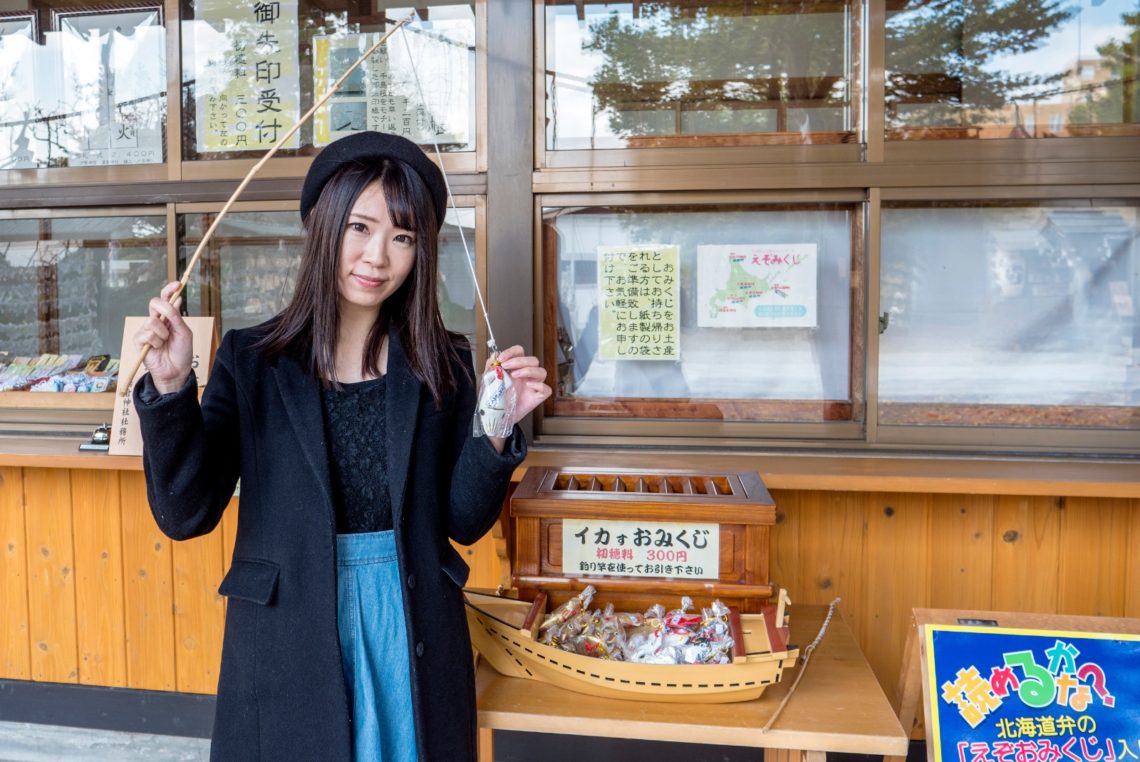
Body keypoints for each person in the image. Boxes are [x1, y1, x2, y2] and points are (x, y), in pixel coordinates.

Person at [132, 131, 551, 761]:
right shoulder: (252, 361)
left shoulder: (445, 362)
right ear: (324, 227)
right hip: (286, 637)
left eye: (402, 237)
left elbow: (463, 522)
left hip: (409, 626)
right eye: (360, 226)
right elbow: (184, 514)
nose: (377, 255)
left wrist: (496, 428)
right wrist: (170, 386)